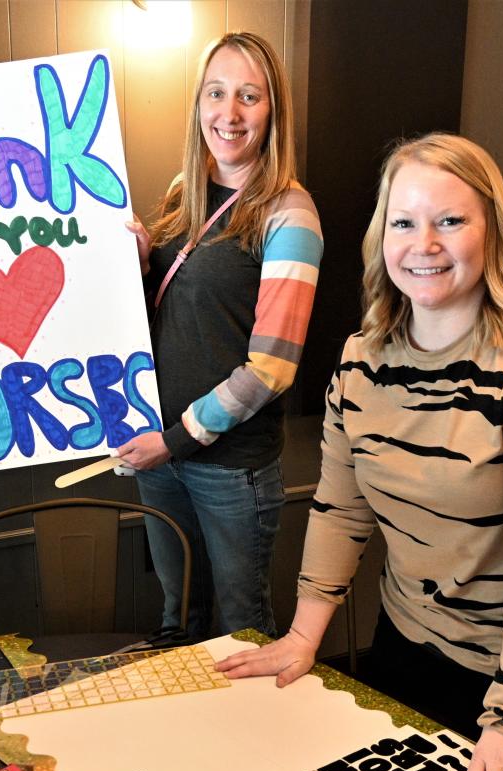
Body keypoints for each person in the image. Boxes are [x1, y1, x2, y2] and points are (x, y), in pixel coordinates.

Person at [217, 133, 503, 771]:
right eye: (404, 222)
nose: (425, 243)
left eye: (450, 220)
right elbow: (338, 509)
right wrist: (301, 637)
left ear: (491, 230)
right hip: (418, 632)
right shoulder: (359, 360)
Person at [118, 33, 323, 641]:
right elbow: (181, 307)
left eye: (248, 96)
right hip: (160, 454)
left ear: (273, 111)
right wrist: (139, 261)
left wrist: (176, 440)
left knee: (241, 634)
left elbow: (271, 369)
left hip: (228, 467)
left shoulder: (290, 215)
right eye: (216, 93)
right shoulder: (187, 191)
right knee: (178, 621)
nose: (228, 113)